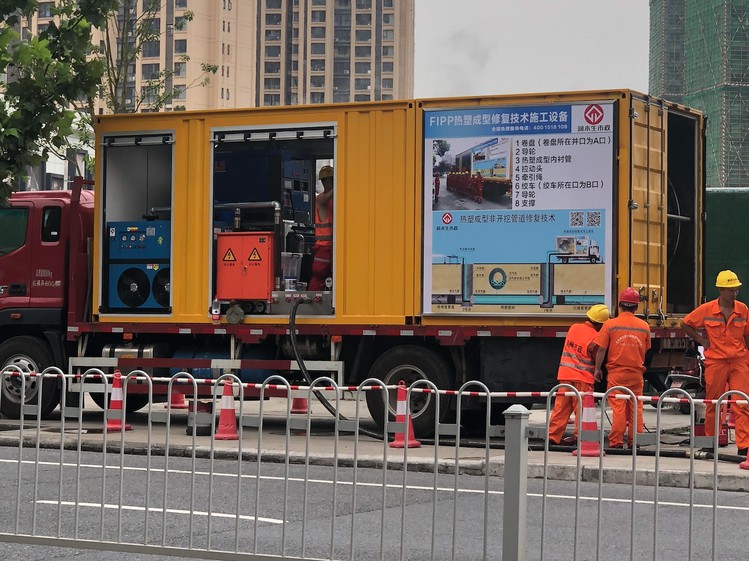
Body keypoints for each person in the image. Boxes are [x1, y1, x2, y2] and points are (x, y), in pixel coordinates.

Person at [682, 270, 749, 455]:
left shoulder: (742, 309)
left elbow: (747, 334)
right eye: (730, 289)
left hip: (738, 361)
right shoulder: (707, 309)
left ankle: (744, 445)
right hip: (716, 361)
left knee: (741, 403)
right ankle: (711, 441)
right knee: (713, 402)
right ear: (720, 289)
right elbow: (685, 323)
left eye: (735, 289)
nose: (733, 293)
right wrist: (702, 341)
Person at [593, 287, 651, 449]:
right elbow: (645, 348)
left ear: (619, 305)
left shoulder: (610, 325)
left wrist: (597, 369)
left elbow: (602, 349)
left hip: (616, 373)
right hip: (636, 374)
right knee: (636, 407)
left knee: (618, 407)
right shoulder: (644, 326)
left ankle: (616, 441)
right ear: (636, 307)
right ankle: (635, 442)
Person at [548, 304, 610, 445]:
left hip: (565, 375)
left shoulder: (574, 327)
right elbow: (596, 357)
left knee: (560, 408)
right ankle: (580, 437)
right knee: (582, 411)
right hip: (583, 378)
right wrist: (598, 370)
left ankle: (552, 436)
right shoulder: (596, 337)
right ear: (600, 324)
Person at [308, 165, 334, 291]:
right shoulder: (321, 199)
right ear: (324, 181)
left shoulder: (338, 199)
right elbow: (326, 198)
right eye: (332, 179)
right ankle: (311, 302)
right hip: (324, 247)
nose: (334, 181)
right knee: (319, 275)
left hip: (333, 247)